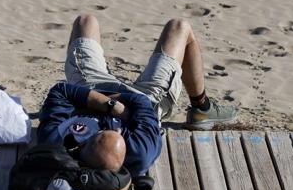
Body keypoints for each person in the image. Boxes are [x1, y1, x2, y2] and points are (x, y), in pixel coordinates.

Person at [38, 14, 237, 180]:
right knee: (179, 27)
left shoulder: (58, 142)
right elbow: (141, 103)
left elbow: (60, 91)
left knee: (86, 21)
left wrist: (110, 106)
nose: (103, 127)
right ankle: (202, 108)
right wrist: (105, 104)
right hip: (146, 99)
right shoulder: (140, 151)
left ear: (83, 145)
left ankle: (105, 75)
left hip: (92, 87)